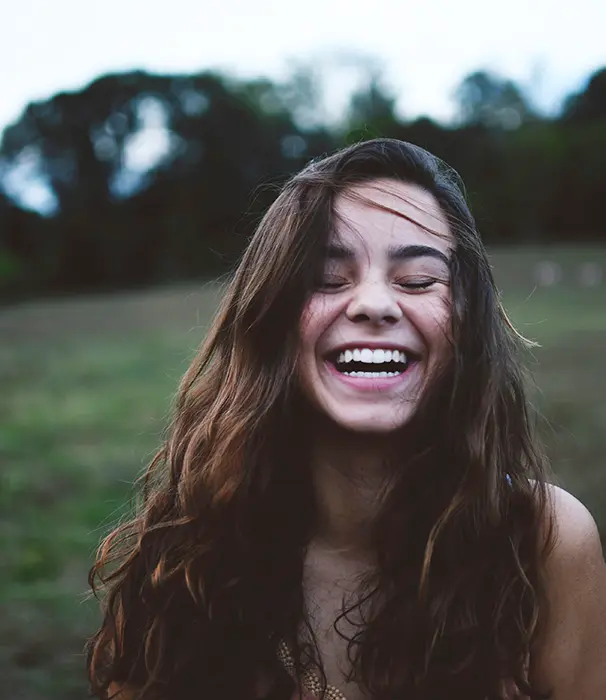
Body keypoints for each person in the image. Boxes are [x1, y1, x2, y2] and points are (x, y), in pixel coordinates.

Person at [86, 138, 606, 700]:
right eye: (327, 278)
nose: (374, 304)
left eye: (417, 280)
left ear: (464, 324)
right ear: (274, 321)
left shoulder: (544, 543)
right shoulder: (184, 558)